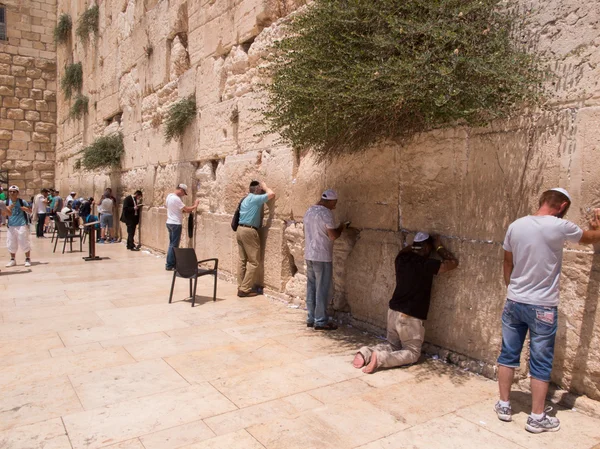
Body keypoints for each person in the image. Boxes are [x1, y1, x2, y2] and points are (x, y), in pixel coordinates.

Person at [496, 188, 600, 434]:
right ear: (562, 206)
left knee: (508, 353)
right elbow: (589, 238)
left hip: (514, 301)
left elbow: (507, 262)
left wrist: (513, 290)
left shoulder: (516, 225)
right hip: (543, 306)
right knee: (540, 362)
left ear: (542, 201)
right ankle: (536, 417)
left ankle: (503, 405)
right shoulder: (559, 226)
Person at [353, 232, 458, 373]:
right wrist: (438, 246)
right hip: (409, 316)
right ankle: (380, 359)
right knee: (412, 352)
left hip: (393, 312)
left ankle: (365, 353)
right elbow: (452, 263)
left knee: (392, 346)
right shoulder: (426, 264)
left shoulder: (400, 259)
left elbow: (404, 250)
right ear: (427, 248)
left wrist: (414, 246)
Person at [303, 189, 349, 330]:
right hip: (322, 256)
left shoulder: (309, 211)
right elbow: (333, 236)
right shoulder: (326, 213)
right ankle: (321, 321)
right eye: (334, 203)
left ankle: (311, 318)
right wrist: (341, 227)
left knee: (311, 287)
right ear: (328, 201)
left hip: (309, 254)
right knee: (322, 289)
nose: (334, 207)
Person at [236, 180, 275, 297]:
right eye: (260, 189)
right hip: (249, 230)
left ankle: (241, 285)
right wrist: (265, 186)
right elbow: (272, 194)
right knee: (254, 262)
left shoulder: (245, 199)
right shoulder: (255, 199)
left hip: (240, 229)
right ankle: (244, 289)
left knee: (242, 260)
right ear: (258, 189)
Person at [165, 184, 199, 271]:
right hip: (176, 224)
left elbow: (175, 209)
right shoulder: (176, 198)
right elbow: (187, 209)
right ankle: (170, 265)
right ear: (181, 190)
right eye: (184, 192)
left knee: (171, 244)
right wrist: (195, 205)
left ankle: (171, 263)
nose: (184, 195)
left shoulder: (169, 196)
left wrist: (181, 213)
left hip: (169, 222)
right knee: (174, 245)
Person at [2, 186, 32, 267]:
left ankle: (27, 258)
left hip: (21, 224)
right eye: (11, 191)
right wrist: (8, 208)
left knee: (24, 241)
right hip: (11, 225)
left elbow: (30, 211)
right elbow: (4, 214)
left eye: (14, 191)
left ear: (17, 193)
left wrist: (25, 209)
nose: (12, 193)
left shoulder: (22, 202)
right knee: (11, 243)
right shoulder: (6, 202)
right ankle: (12, 259)